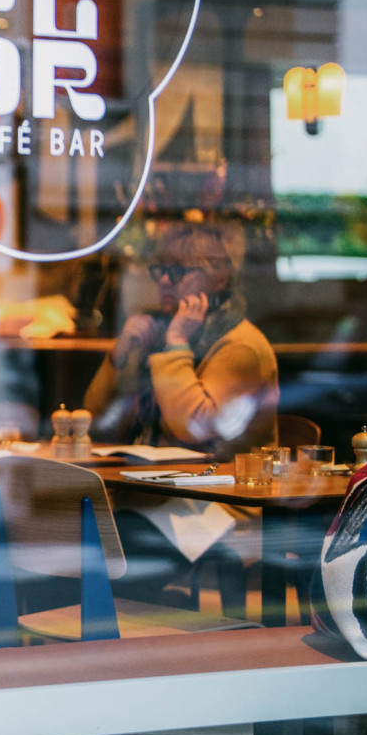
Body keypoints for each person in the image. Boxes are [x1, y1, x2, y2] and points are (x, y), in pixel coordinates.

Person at [84, 222, 279, 606]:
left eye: (180, 271)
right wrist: (119, 357)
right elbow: (95, 422)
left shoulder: (240, 346)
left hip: (216, 502)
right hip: (154, 493)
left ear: (220, 278)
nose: (166, 282)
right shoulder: (160, 331)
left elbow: (192, 428)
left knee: (108, 558)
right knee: (68, 539)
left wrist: (175, 345)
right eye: (161, 271)